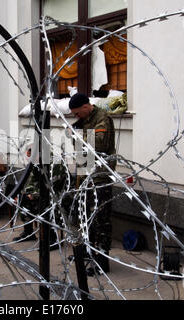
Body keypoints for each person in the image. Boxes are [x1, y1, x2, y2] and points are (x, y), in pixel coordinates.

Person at [67, 92, 116, 276]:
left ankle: (102, 262)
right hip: (85, 175)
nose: (76, 117)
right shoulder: (84, 121)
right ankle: (89, 253)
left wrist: (78, 135)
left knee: (100, 220)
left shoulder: (102, 118)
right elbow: (79, 148)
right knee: (86, 218)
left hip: (100, 177)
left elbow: (99, 144)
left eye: (78, 113)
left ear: (86, 107)